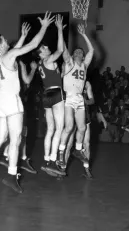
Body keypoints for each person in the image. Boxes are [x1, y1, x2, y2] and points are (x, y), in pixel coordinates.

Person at [0, 12, 54, 193]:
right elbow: (33, 45)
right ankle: (12, 176)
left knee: (1, 137)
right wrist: (43, 26)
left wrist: (22, 37)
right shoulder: (9, 56)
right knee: (16, 139)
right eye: (4, 40)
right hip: (11, 101)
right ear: (1, 45)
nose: (7, 41)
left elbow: (13, 52)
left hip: (1, 100)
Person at [21, 14, 66, 176]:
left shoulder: (40, 63)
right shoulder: (47, 60)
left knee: (50, 129)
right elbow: (60, 50)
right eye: (45, 48)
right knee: (59, 128)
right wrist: (60, 29)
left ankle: (47, 159)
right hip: (55, 92)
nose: (48, 48)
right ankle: (53, 161)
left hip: (46, 95)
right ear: (42, 53)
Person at [57, 23, 94, 170]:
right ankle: (61, 153)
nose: (78, 53)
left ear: (83, 56)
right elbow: (63, 49)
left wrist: (84, 35)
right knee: (69, 127)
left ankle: (78, 150)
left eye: (80, 52)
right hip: (69, 98)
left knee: (82, 127)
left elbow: (91, 50)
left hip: (79, 98)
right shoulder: (69, 63)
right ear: (73, 56)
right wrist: (60, 30)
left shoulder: (84, 66)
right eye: (76, 52)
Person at [0, 61, 38, 174]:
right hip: (17, 101)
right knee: (21, 133)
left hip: (6, 99)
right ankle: (14, 158)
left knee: (13, 132)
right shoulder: (20, 63)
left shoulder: (5, 62)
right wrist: (33, 69)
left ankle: (11, 156)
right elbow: (27, 80)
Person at [64, 80, 95, 179]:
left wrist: (84, 100)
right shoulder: (70, 80)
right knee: (68, 144)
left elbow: (92, 100)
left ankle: (87, 170)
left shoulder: (87, 83)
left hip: (84, 115)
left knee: (87, 144)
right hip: (72, 114)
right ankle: (62, 169)